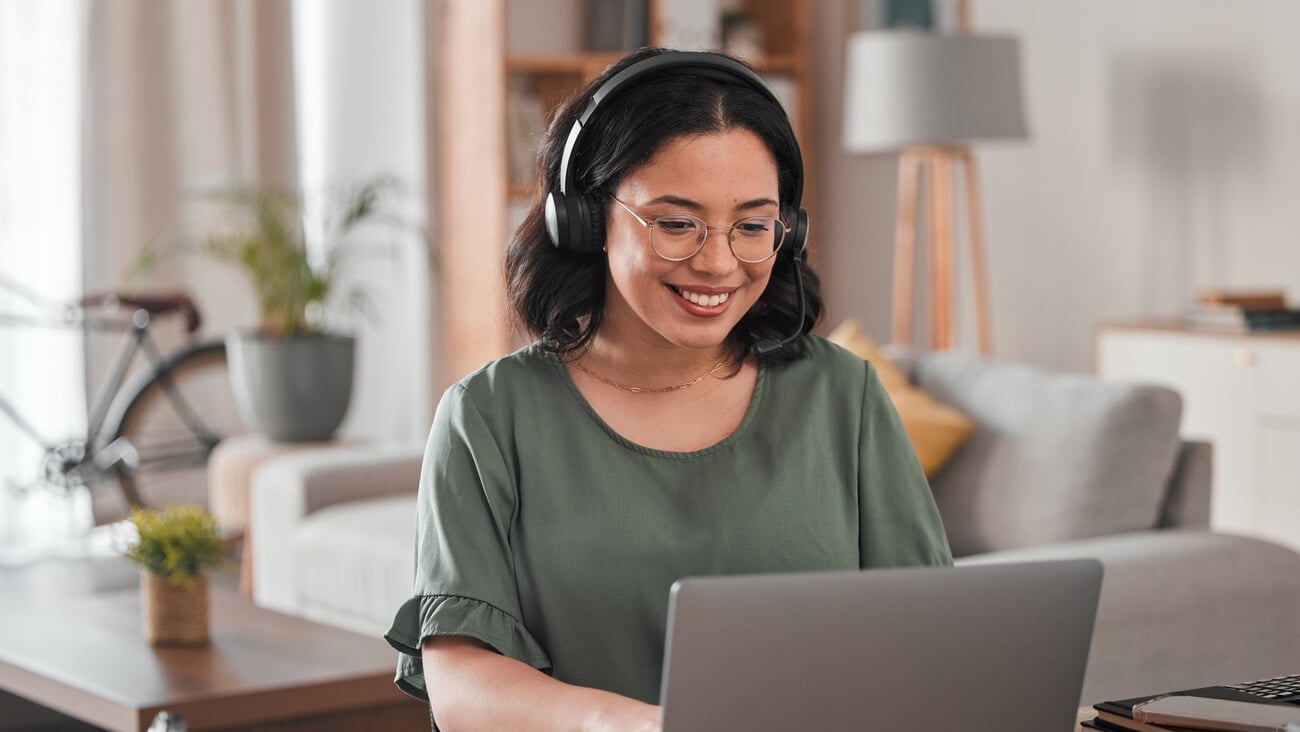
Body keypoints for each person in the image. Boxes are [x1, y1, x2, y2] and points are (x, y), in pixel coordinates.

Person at [385, 47, 952, 732]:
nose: (717, 262)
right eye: (678, 223)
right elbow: (463, 682)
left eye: (751, 226)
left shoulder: (844, 396)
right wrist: (638, 724)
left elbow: (930, 644)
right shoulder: (488, 417)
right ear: (586, 220)